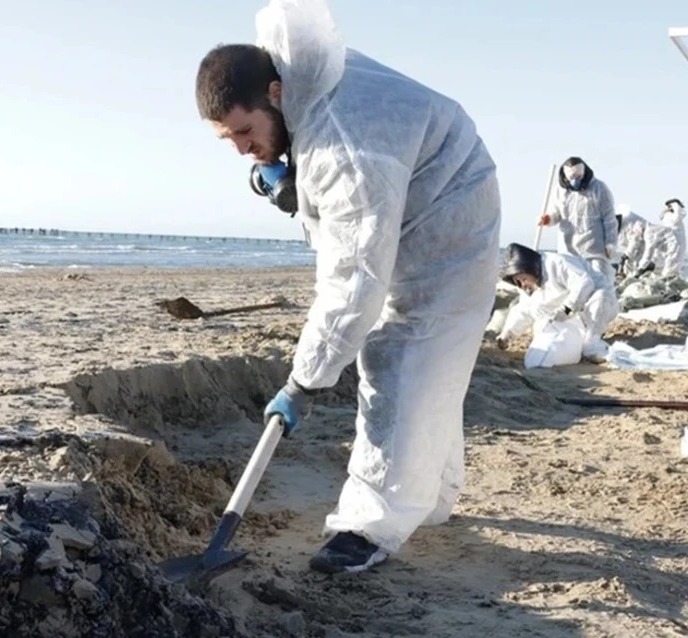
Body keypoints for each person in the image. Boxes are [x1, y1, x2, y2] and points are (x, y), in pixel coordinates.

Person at [195, 0, 501, 574]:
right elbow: (337, 199)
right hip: (421, 192)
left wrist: (305, 380)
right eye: (226, 139)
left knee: (403, 357)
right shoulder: (308, 78)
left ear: (276, 94)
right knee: (434, 366)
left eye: (245, 131)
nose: (240, 149)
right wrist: (294, 182)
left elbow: (352, 276)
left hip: (448, 229)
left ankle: (368, 528)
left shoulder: (345, 148)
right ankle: (432, 497)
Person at [497, 243, 618, 361]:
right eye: (518, 282)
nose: (523, 284)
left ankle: (593, 341)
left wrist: (566, 309)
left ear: (530, 268)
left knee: (601, 296)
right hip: (570, 312)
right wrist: (508, 334)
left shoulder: (557, 263)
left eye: (523, 279)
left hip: (600, 303)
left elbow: (584, 284)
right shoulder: (529, 286)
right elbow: (524, 310)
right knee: (539, 313)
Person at [537, 157, 619, 284]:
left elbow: (610, 219)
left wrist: (611, 243)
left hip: (594, 250)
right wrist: (548, 219)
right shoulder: (560, 191)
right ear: (565, 177)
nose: (575, 181)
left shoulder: (600, 189)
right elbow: (556, 214)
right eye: (572, 178)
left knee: (600, 283)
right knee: (574, 285)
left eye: (579, 177)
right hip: (568, 250)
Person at [615, 205, 683, 277]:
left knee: (669, 274)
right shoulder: (649, 231)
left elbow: (648, 252)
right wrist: (651, 263)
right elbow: (653, 250)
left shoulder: (649, 233)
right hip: (671, 247)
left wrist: (641, 269)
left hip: (675, 247)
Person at [660, 198, 688, 267]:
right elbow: (677, 218)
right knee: (673, 259)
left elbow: (682, 214)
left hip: (676, 241)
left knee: (675, 260)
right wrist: (676, 205)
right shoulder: (669, 215)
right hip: (674, 240)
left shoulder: (670, 215)